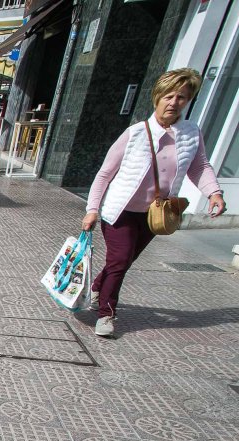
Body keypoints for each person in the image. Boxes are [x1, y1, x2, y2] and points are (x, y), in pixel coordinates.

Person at [83, 68, 227, 338]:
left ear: (189, 100)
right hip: (120, 210)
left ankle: (97, 288)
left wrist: (214, 192)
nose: (174, 102)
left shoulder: (191, 134)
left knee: (123, 261)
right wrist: (92, 209)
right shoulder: (136, 133)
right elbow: (105, 174)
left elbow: (200, 166)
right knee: (121, 259)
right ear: (157, 98)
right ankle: (106, 313)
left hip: (154, 214)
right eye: (169, 96)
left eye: (182, 97)